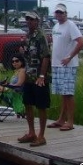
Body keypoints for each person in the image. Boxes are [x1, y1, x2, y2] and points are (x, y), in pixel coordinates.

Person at [47, 4, 83, 132]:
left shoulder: (71, 25)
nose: (59, 14)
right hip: (57, 63)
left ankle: (70, 121)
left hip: (68, 64)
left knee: (68, 93)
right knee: (62, 94)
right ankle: (61, 119)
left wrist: (70, 56)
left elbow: (81, 42)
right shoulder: (55, 26)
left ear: (65, 13)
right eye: (57, 12)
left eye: (61, 12)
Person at [17, 11, 51, 147]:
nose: (29, 22)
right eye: (27, 19)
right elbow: (30, 54)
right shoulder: (28, 36)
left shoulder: (40, 36)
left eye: (31, 19)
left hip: (39, 77)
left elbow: (46, 56)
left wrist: (42, 76)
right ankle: (31, 133)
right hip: (29, 76)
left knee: (41, 106)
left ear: (37, 21)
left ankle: (41, 135)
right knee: (28, 103)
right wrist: (22, 52)